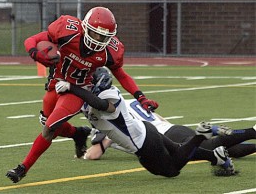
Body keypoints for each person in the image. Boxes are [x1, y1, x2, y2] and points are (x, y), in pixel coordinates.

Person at [6, 6, 158, 183]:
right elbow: (32, 40)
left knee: (49, 128)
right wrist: (35, 54)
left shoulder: (110, 51)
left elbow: (121, 74)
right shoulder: (67, 30)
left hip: (77, 90)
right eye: (95, 34)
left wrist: (141, 97)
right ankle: (78, 133)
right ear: (85, 27)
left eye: (104, 36)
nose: (99, 39)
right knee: (50, 122)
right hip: (55, 84)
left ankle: (23, 168)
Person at [55, 67, 236, 177]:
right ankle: (216, 157)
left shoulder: (108, 97)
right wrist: (49, 116)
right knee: (179, 151)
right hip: (147, 130)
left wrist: (73, 88)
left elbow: (100, 104)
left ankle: (199, 136)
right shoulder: (88, 98)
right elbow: (69, 109)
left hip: (143, 141)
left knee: (172, 170)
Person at [84, 99, 256, 160]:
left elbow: (94, 154)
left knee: (211, 146)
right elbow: (159, 118)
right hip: (172, 129)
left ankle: (253, 131)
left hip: (167, 137)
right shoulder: (126, 101)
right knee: (224, 150)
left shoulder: (110, 117)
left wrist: (85, 153)